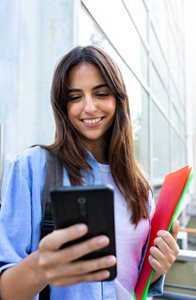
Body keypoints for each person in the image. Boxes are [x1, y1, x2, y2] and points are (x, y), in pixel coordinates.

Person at [0, 45, 179, 300]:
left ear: (118, 99)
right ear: (62, 106)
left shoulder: (139, 186)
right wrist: (41, 266)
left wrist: (159, 267)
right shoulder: (31, 168)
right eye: (75, 97)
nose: (89, 107)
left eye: (101, 93)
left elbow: (135, 284)